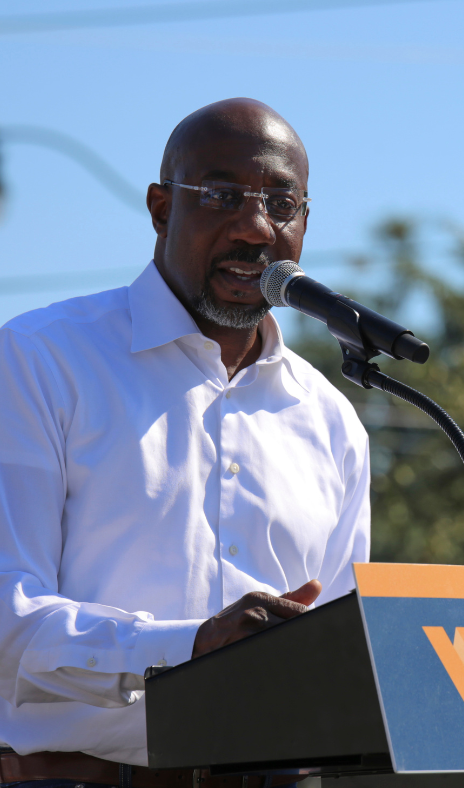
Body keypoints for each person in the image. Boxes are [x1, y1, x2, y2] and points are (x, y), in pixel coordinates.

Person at [0, 99, 370, 782]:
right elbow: (7, 619)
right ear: (161, 208)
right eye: (223, 195)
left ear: (305, 224)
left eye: (281, 204)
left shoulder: (330, 419)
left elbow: (350, 658)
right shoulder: (37, 360)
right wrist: (190, 647)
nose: (255, 228)